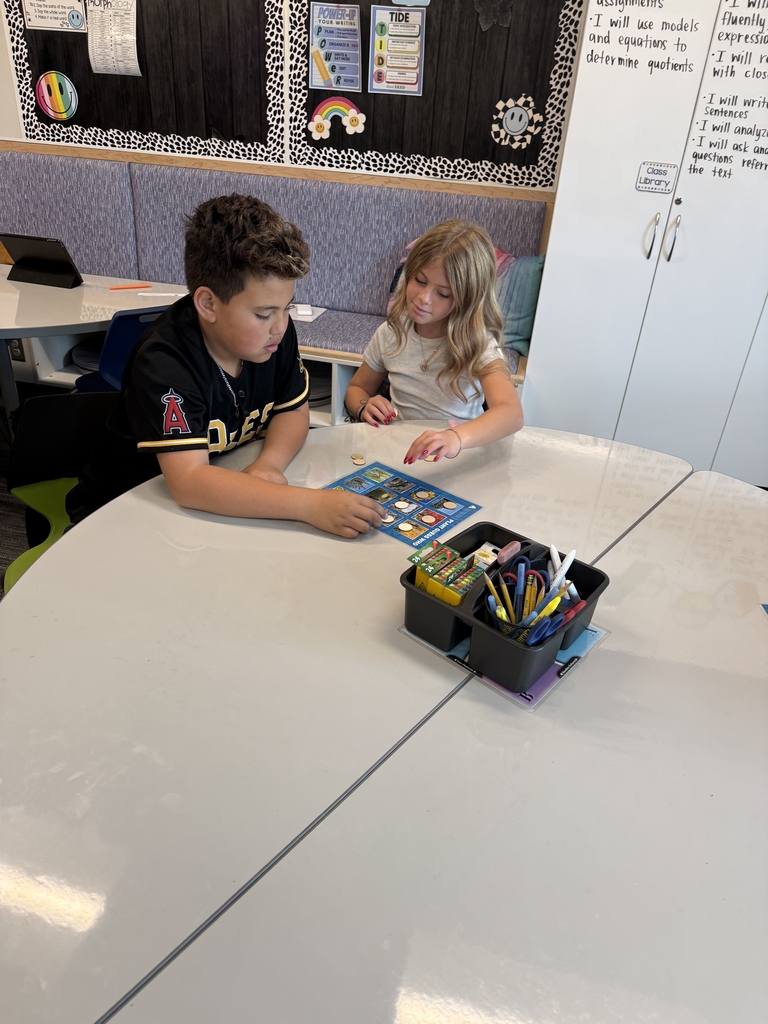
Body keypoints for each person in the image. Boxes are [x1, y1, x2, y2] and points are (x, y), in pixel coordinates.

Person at [68, 194, 383, 539]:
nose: (280, 325)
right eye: (264, 314)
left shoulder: (274, 336)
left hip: (213, 502)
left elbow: (293, 411)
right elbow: (190, 483)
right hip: (123, 515)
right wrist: (309, 505)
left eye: (286, 308)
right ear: (207, 304)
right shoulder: (165, 362)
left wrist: (268, 465)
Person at [344, 220, 523, 465]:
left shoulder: (478, 344)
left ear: (467, 299)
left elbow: (511, 414)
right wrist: (365, 406)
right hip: (400, 453)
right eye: (419, 280)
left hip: (456, 459)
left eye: (443, 293)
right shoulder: (391, 333)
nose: (423, 298)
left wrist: (455, 438)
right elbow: (357, 389)